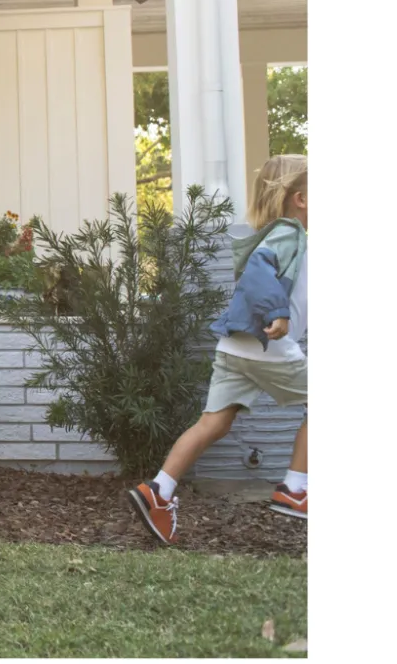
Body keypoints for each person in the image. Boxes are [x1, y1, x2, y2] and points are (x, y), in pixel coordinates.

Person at [128, 154, 308, 544]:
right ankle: (295, 488)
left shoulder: (284, 235)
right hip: (266, 346)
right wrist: (278, 313)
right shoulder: (288, 233)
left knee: (214, 422)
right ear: (301, 199)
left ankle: (158, 491)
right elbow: (261, 270)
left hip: (235, 347)